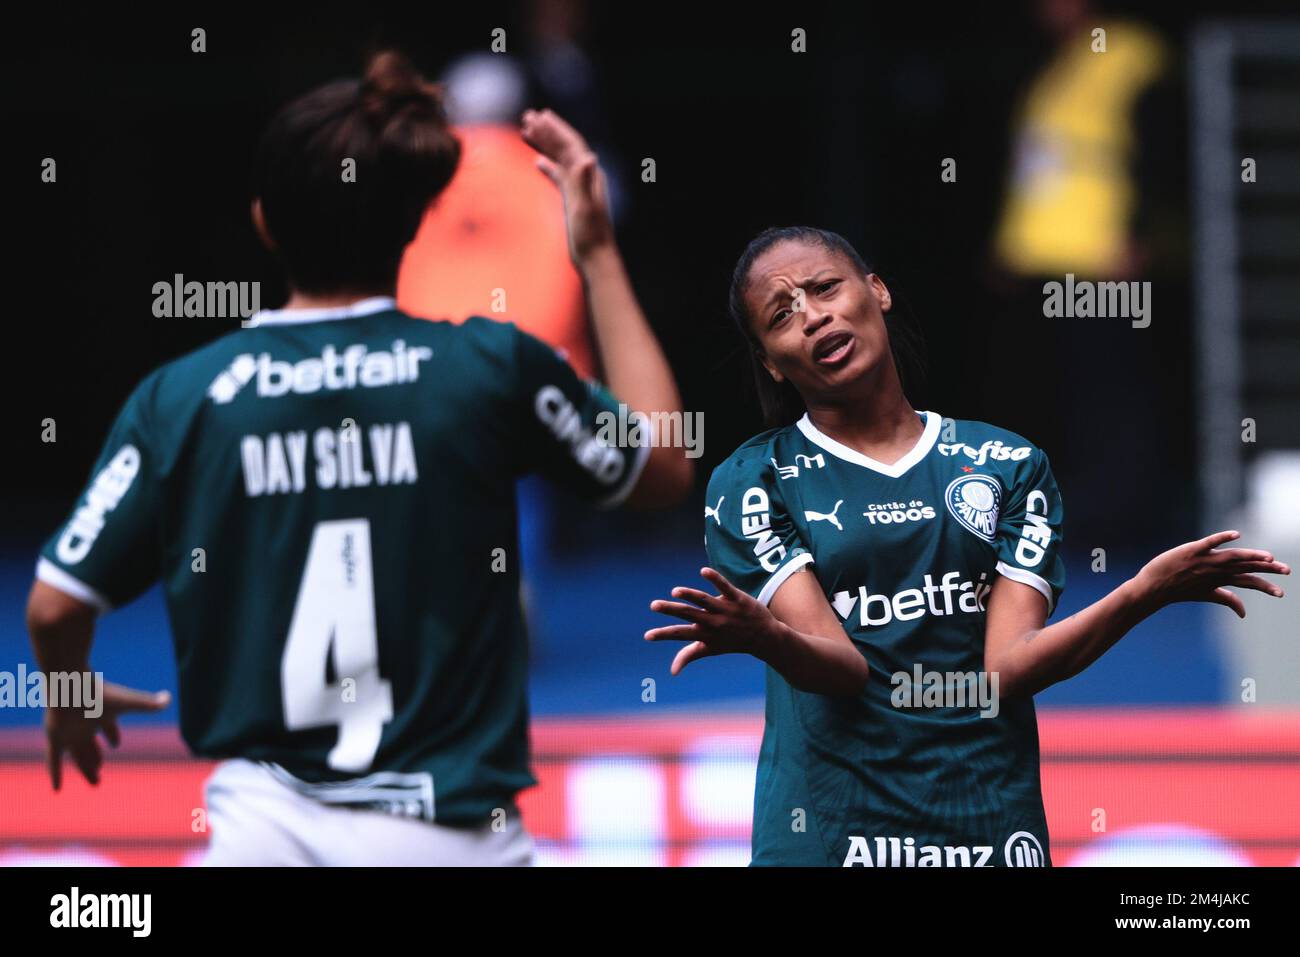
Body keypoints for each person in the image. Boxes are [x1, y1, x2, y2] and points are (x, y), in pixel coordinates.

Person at [25, 51, 692, 866]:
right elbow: (662, 461)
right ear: (417, 224)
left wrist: (68, 692)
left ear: (265, 220)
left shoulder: (183, 396)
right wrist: (595, 251)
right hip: (454, 840)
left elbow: (56, 605)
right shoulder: (488, 368)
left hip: (257, 840)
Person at [646, 226, 1288, 866]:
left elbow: (1006, 669)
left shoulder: (1006, 463)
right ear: (770, 360)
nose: (812, 317)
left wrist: (1142, 593)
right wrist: (768, 638)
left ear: (877, 291)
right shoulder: (754, 481)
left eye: (824, 288)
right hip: (830, 834)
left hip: (985, 828)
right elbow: (840, 668)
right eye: (782, 316)